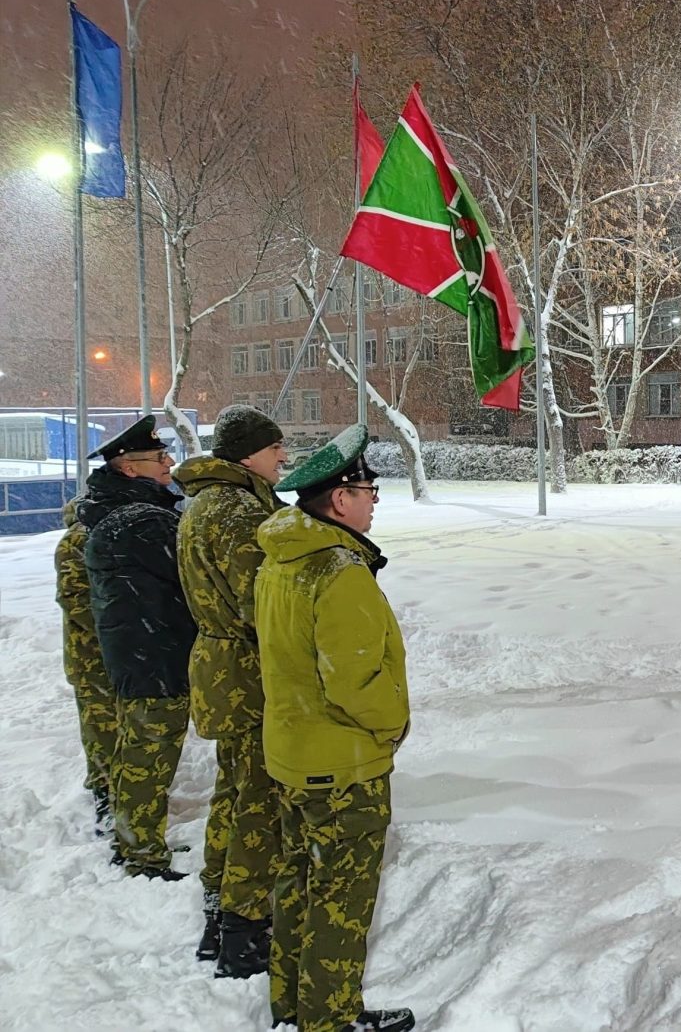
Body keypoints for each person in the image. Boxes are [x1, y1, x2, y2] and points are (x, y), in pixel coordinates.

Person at [256, 425, 414, 1032]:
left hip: (294, 754)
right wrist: (392, 724)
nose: (375, 498)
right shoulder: (339, 572)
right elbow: (352, 682)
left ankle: (293, 1009)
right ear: (339, 499)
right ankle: (330, 1020)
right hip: (342, 764)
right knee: (340, 900)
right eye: (368, 488)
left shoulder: (283, 560)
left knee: (296, 884)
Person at [174, 405, 288, 974]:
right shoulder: (238, 512)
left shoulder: (206, 504)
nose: (284, 457)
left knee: (235, 791)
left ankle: (219, 911)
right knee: (260, 799)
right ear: (248, 455)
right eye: (275, 449)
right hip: (246, 671)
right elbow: (259, 601)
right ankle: (245, 932)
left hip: (222, 666)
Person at [78, 416, 197, 879]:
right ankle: (141, 855)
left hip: (144, 647)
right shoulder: (139, 520)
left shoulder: (129, 509)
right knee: (149, 756)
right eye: (158, 457)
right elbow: (187, 571)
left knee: (140, 751)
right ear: (129, 468)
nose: (169, 462)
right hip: (151, 652)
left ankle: (135, 841)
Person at [55, 497, 118, 837]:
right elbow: (75, 599)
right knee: (101, 728)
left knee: (113, 726)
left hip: (110, 654)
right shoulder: (77, 541)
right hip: (90, 657)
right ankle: (105, 797)